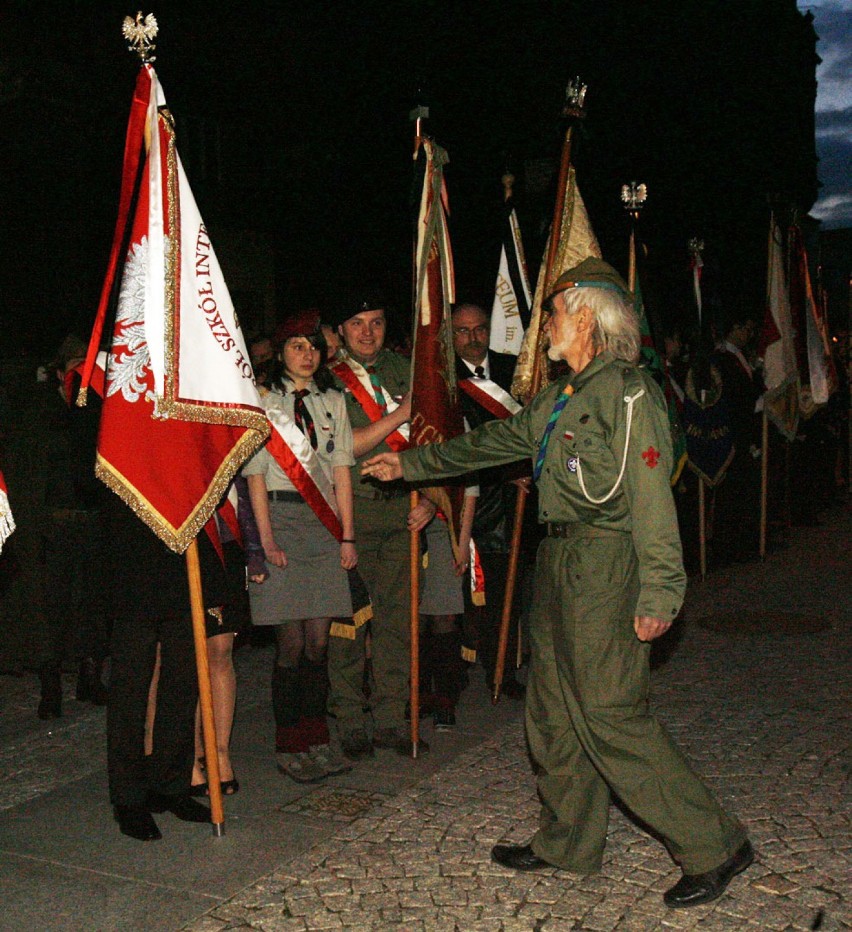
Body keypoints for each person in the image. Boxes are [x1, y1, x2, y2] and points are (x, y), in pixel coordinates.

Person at [363, 258, 753, 909]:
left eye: (552, 311)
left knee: (611, 717)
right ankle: (568, 840)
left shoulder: (629, 393)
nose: (543, 323)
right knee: (551, 712)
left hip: (607, 563)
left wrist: (661, 591)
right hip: (560, 563)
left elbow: (653, 496)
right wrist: (407, 464)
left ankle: (715, 843)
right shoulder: (560, 396)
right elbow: (487, 446)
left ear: (585, 314)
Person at [242, 311, 357, 783]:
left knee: (318, 643)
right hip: (281, 520)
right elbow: (252, 477)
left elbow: (343, 473)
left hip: (324, 525)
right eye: (296, 346)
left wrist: (348, 535)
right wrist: (265, 539)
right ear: (280, 352)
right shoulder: (263, 402)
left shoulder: (334, 401)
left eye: (312, 345)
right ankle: (289, 742)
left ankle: (318, 738)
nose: (306, 354)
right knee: (288, 642)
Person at [324, 294, 437, 758]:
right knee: (349, 625)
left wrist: (431, 496)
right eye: (356, 322)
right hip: (352, 515)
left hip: (403, 513)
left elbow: (437, 439)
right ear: (341, 329)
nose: (367, 332)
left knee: (398, 622)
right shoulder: (327, 378)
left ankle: (392, 716)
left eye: (376, 322)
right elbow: (342, 447)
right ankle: (350, 719)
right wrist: (400, 414)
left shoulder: (406, 372)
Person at [452, 302, 531, 699]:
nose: (472, 338)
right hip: (470, 499)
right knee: (467, 592)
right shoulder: (444, 380)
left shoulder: (514, 370)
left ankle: (505, 667)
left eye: (479, 329)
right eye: (462, 331)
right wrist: (505, 470)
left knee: (508, 590)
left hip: (514, 502)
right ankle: (464, 665)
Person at [189, 477, 267, 797]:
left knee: (221, 647)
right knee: (190, 650)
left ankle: (219, 751)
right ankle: (190, 754)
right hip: (190, 534)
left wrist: (254, 550)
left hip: (227, 535)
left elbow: (245, 486)